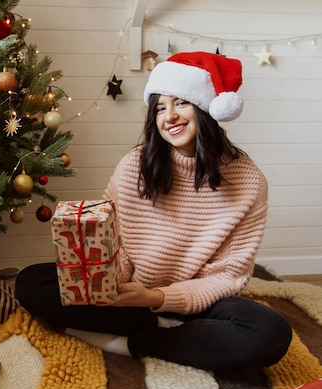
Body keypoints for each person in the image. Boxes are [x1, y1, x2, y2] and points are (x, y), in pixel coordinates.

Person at [15, 51, 292, 370]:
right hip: (129, 295)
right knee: (31, 282)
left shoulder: (249, 181)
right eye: (160, 107)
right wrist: (107, 280)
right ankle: (168, 332)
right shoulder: (135, 164)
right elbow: (111, 239)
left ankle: (136, 342)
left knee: (269, 331)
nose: (169, 116)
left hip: (195, 302)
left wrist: (158, 298)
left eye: (181, 102)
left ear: (205, 107)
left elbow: (228, 275)